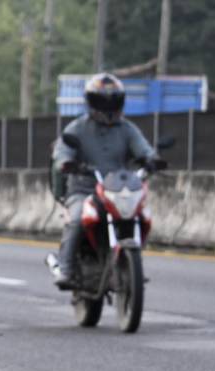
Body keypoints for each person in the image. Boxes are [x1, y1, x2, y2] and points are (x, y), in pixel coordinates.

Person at [51, 73, 155, 289]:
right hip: (84, 189)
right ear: (91, 101)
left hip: (116, 190)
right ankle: (66, 267)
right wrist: (66, 162)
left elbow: (144, 149)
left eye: (113, 100)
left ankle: (130, 263)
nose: (107, 106)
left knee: (141, 216)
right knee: (78, 218)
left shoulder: (127, 129)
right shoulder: (77, 128)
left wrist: (152, 160)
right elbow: (62, 150)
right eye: (102, 100)